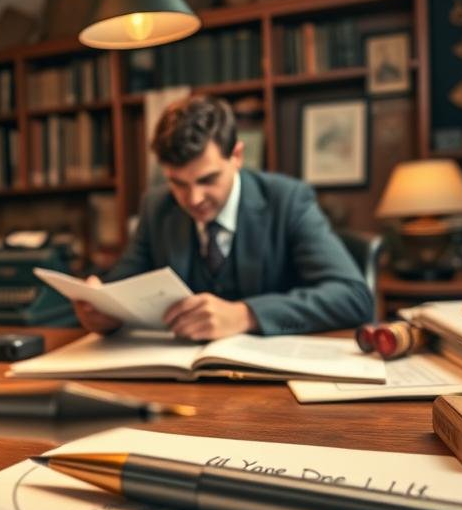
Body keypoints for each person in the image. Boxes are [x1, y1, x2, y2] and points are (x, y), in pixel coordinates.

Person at [74, 95, 373, 340]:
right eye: (178, 183)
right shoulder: (157, 206)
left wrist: (246, 315)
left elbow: (353, 298)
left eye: (208, 179)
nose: (193, 199)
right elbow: (122, 288)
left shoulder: (287, 200)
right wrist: (105, 314)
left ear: (238, 156)